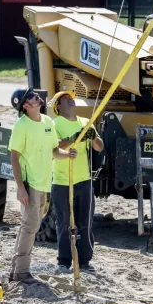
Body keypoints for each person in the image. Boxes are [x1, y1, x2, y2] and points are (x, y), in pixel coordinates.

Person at [8, 88, 77, 284]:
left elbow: (54, 151)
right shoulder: (21, 126)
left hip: (45, 183)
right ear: (25, 106)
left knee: (31, 226)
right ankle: (21, 272)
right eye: (31, 96)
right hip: (31, 184)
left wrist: (67, 154)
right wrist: (21, 188)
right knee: (30, 226)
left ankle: (16, 270)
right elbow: (14, 158)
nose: (37, 96)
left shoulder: (47, 122)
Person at [48, 91, 104, 274]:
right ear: (58, 107)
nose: (71, 100)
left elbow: (99, 147)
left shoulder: (85, 122)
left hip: (84, 180)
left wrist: (92, 136)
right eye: (65, 99)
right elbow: (54, 148)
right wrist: (73, 139)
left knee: (85, 221)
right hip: (62, 182)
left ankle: (85, 261)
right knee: (64, 222)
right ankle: (63, 261)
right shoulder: (55, 124)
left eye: (71, 98)